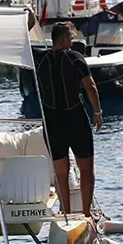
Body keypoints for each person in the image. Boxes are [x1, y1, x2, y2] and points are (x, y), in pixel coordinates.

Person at [36, 22, 104, 216]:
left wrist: (30, 20)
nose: (72, 42)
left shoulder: (40, 59)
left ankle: (65, 213)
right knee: (86, 169)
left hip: (52, 122)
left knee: (61, 172)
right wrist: (97, 112)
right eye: (71, 38)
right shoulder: (75, 58)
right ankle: (85, 213)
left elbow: (21, 42)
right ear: (64, 39)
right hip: (75, 119)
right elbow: (91, 87)